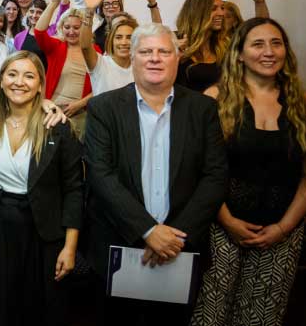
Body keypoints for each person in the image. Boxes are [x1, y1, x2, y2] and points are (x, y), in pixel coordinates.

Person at [84, 23, 227, 325]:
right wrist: (149, 230)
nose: (155, 58)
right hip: (120, 248)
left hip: (181, 252)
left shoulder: (203, 110)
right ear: (132, 58)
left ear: (178, 58)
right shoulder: (103, 108)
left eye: (164, 51)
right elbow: (100, 175)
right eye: (146, 51)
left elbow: (215, 176)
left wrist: (174, 239)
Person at [191, 18, 306, 326]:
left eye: (276, 43)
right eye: (258, 44)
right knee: (211, 315)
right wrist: (227, 221)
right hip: (221, 229)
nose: (269, 52)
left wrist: (283, 228)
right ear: (239, 54)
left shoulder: (301, 102)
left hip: (283, 232)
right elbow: (198, 171)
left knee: (261, 318)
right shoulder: (214, 100)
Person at [0, 51, 83, 326]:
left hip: (42, 231)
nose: (19, 82)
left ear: (40, 84)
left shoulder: (57, 127)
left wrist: (70, 247)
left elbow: (74, 189)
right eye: (12, 74)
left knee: (36, 306)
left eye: (28, 76)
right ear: (0, 81)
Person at [34, 0, 98, 136]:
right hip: (52, 110)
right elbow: (39, 32)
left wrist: (81, 103)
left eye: (77, 28)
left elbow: (100, 83)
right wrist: (54, 2)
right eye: (67, 27)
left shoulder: (94, 51)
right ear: (61, 28)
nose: (71, 32)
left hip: (81, 114)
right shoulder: (56, 47)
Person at [80, 0, 138, 96]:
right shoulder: (100, 64)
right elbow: (85, 46)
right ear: (111, 39)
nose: (124, 42)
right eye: (118, 37)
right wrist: (89, 11)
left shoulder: (140, 67)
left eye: (129, 37)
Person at [174, 0, 228, 92]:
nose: (221, 13)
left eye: (222, 8)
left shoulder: (225, 44)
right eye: (214, 8)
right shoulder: (177, 42)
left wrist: (259, 0)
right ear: (198, 11)